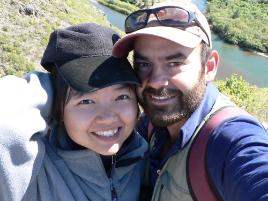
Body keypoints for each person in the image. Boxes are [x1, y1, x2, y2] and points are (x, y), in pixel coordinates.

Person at [112, 1, 268, 201]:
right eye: (144, 64)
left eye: (174, 63)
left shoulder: (230, 141)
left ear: (209, 67)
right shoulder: (150, 125)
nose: (156, 81)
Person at [0, 23, 148, 201]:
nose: (108, 117)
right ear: (58, 106)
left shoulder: (144, 157)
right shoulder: (33, 170)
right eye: (86, 101)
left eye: (122, 97)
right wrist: (50, 85)